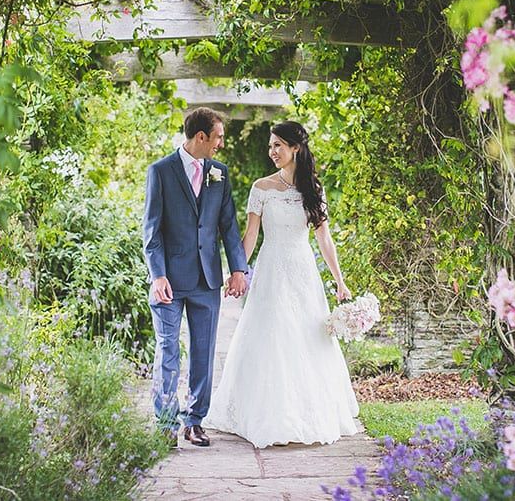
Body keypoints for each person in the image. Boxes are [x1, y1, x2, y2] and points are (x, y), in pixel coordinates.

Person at [204, 120, 359, 448]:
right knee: (270, 337)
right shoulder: (261, 187)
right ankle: (264, 414)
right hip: (271, 270)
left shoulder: (314, 190)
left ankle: (305, 413)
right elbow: (250, 236)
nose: (272, 151)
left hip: (303, 273)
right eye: (271, 145)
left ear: (295, 149)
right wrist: (238, 271)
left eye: (278, 145)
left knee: (307, 340)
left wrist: (340, 282)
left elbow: (324, 239)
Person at [143, 107, 249, 448]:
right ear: (201, 137)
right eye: (218, 137)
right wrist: (157, 275)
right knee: (168, 349)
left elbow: (228, 226)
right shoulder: (160, 171)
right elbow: (152, 230)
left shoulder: (219, 173)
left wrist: (238, 269)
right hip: (170, 282)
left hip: (206, 279)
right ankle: (165, 423)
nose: (220, 144)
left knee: (204, 352)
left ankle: (194, 421)